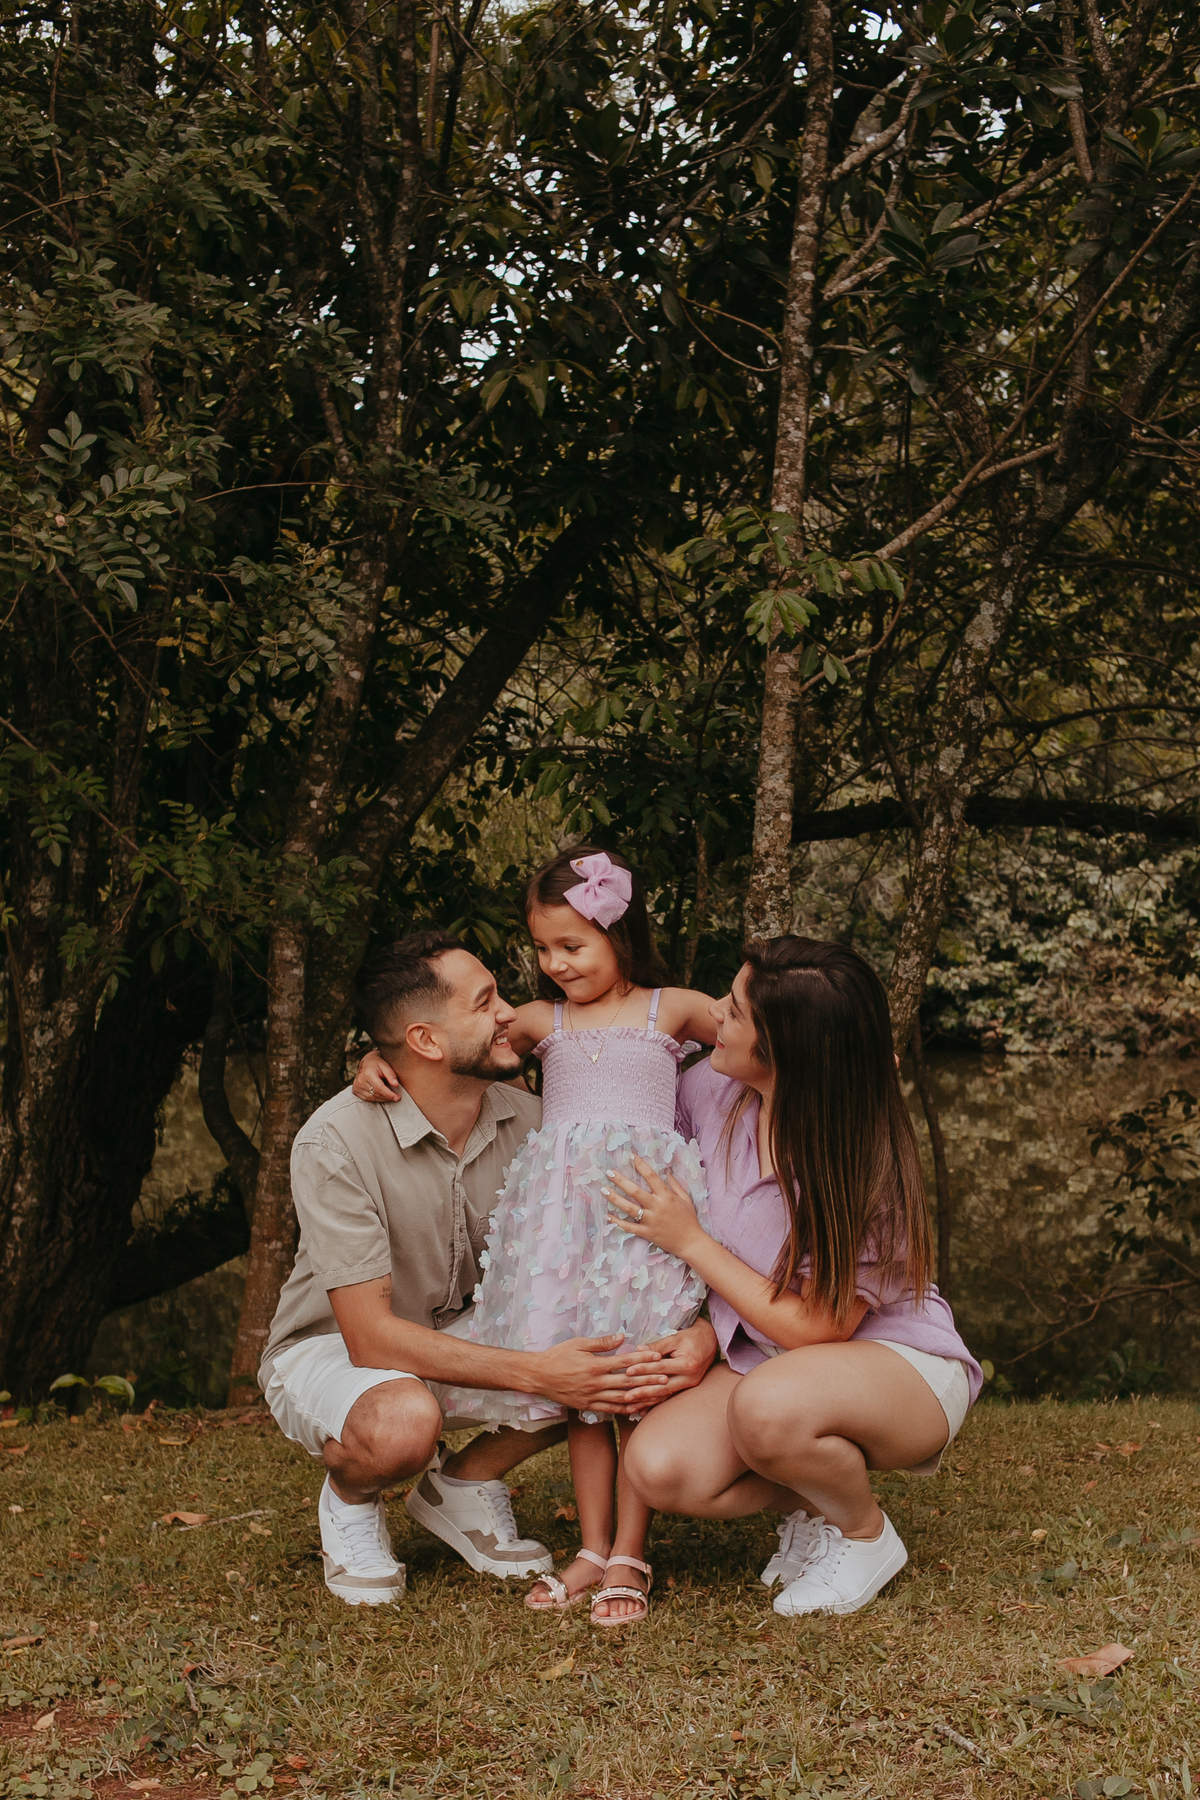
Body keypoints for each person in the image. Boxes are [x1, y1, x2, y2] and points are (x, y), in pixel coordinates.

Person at [259, 927, 716, 1608]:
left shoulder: (542, 1125)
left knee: (609, 1351)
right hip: (338, 1348)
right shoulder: (336, 1140)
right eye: (483, 1003)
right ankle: (351, 1499)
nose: (509, 1012)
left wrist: (698, 1332)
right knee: (403, 1421)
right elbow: (370, 1338)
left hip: (466, 1331)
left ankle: (462, 1483)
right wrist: (538, 1372)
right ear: (424, 1041)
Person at [605, 936, 983, 1618]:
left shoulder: (858, 1156)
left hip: (897, 1362)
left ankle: (864, 1535)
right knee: (661, 1468)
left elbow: (818, 1328)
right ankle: (816, 1503)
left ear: (787, 1049)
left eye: (736, 1011)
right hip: (765, 1356)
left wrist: (691, 1242)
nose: (715, 1013)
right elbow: (609, 1107)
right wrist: (404, 1074)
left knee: (769, 1409)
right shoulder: (714, 1088)